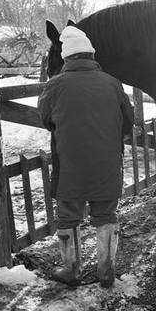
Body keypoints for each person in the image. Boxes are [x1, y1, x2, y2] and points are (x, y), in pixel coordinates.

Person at [38, 25, 134, 287]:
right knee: (106, 214)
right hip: (107, 164)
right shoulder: (113, 83)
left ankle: (71, 270)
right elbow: (129, 121)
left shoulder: (54, 85)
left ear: (66, 58)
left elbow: (46, 120)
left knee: (68, 216)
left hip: (69, 165)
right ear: (91, 55)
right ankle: (106, 270)